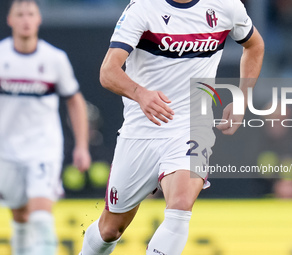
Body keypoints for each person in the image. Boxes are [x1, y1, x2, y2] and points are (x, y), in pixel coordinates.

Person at [79, 0, 264, 254]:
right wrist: (141, 94)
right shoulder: (143, 8)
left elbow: (254, 45)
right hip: (141, 131)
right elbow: (108, 71)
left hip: (191, 126)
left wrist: (243, 98)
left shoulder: (226, 5)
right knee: (111, 230)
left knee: (180, 206)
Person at [0, 0, 91, 254]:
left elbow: (75, 100)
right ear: (10, 20)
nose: (26, 19)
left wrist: (82, 146)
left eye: (31, 13)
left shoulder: (54, 59)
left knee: (40, 217)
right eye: (20, 14)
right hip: (6, 150)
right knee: (19, 218)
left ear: (39, 19)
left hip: (43, 148)